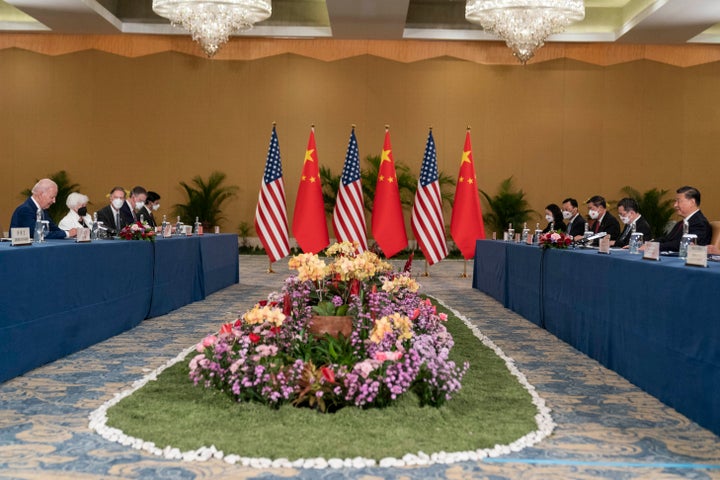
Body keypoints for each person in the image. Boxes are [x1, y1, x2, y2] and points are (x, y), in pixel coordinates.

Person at [9, 178, 76, 239]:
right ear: (41, 195)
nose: (54, 201)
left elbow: (54, 229)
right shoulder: (25, 210)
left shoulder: (42, 210)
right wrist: (67, 233)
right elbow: (38, 233)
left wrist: (70, 233)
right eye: (52, 197)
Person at [654, 186, 711, 251]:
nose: (675, 205)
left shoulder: (700, 223)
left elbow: (683, 244)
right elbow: (667, 239)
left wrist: (656, 247)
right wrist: (650, 244)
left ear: (692, 202)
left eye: (678, 201)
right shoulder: (682, 222)